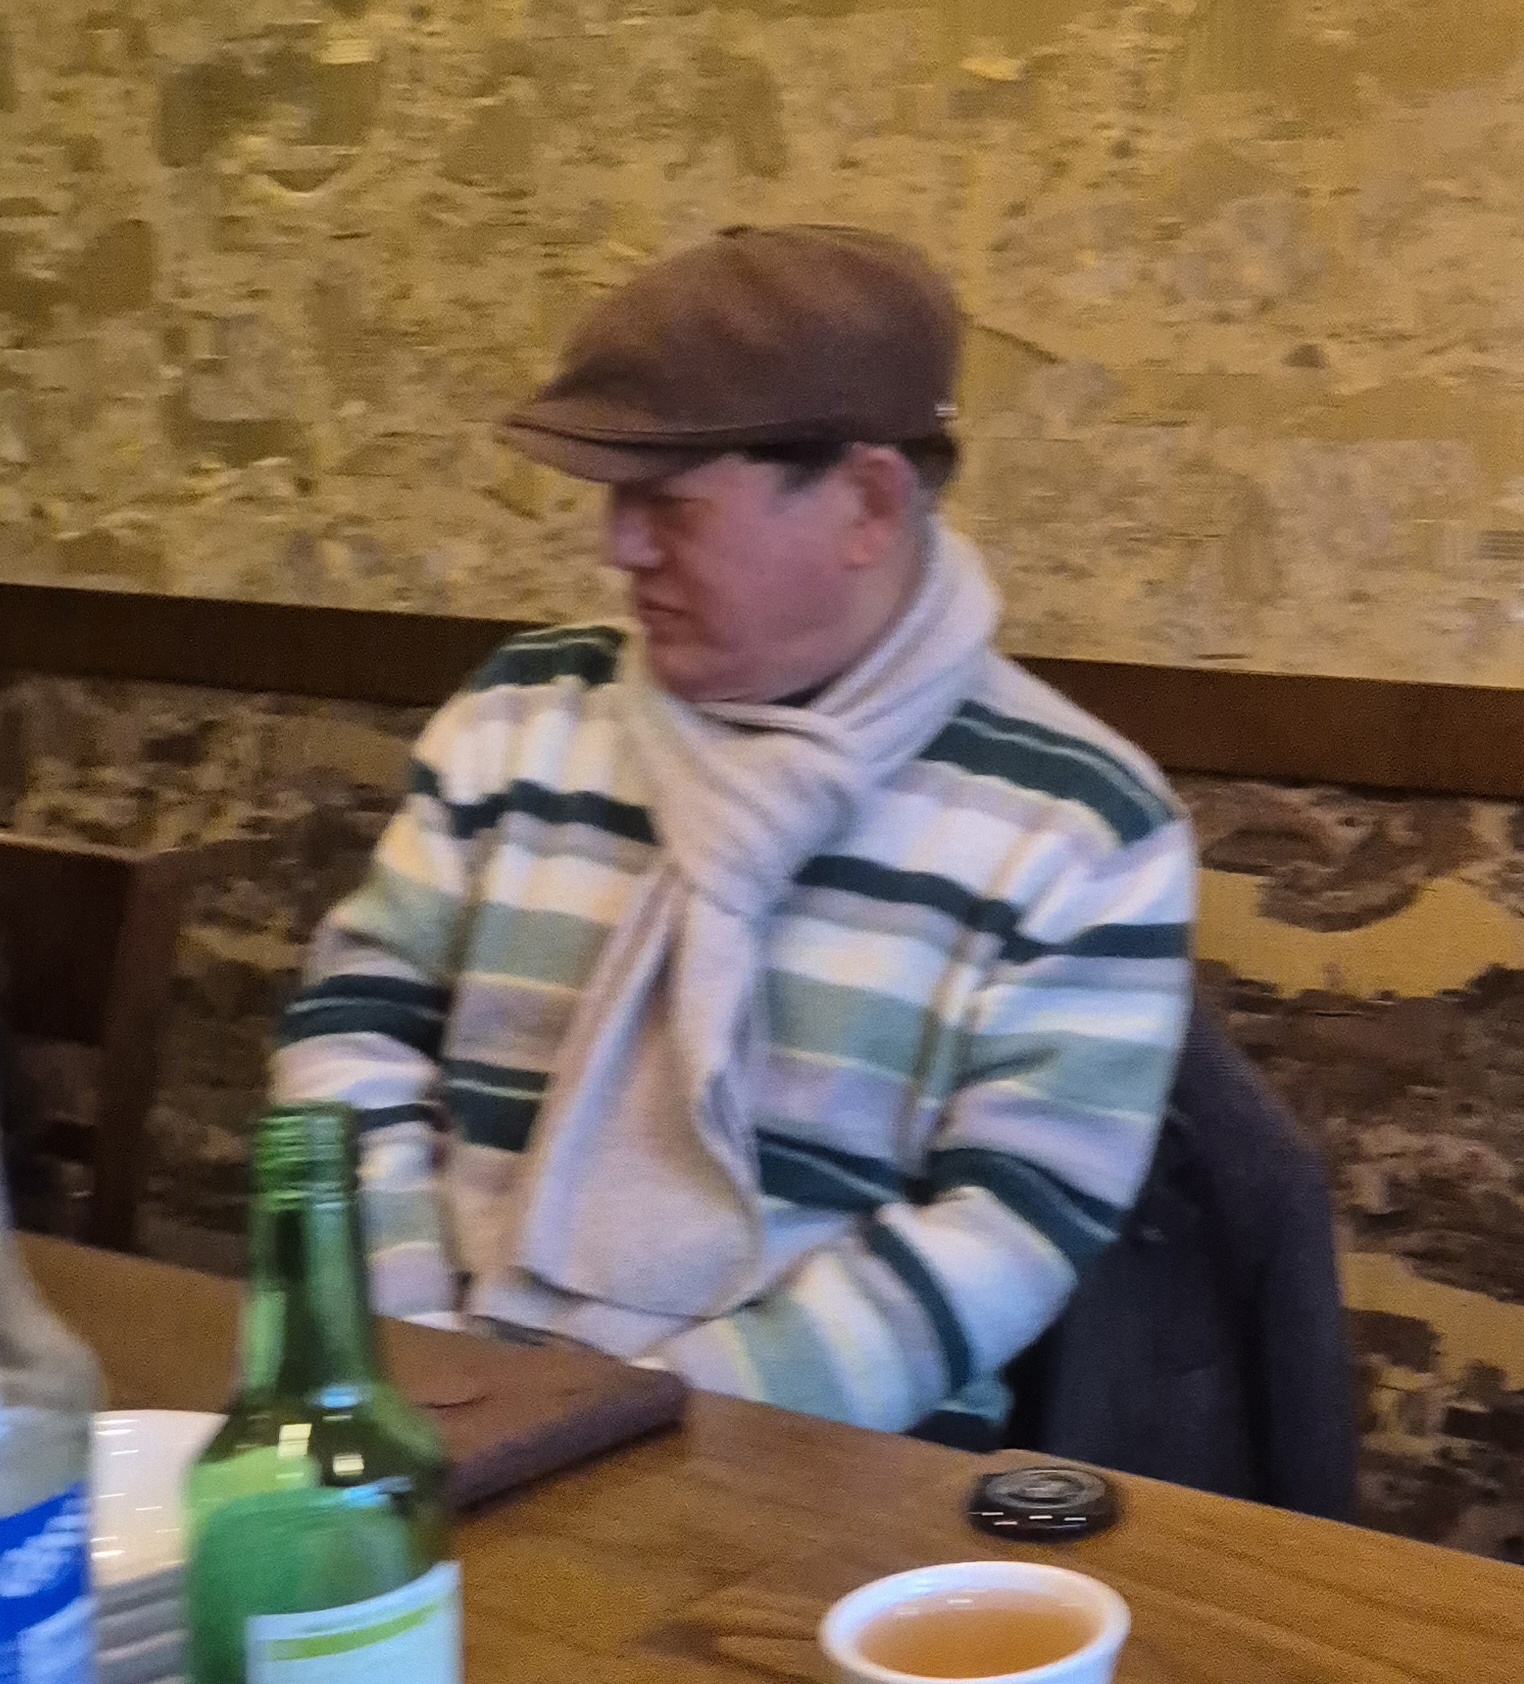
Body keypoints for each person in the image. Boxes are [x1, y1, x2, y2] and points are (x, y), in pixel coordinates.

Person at [273, 225, 1197, 1437]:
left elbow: (1012, 1223)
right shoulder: (519, 715)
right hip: (430, 1405)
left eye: (669, 504)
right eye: (615, 498)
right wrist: (402, 1350)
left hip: (815, 1473)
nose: (618, 547)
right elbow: (353, 1030)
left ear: (867, 503)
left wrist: (641, 1432)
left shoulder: (1086, 826)